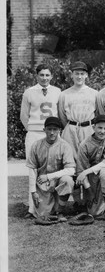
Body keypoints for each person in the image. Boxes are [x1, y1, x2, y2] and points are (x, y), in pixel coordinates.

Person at [20, 64, 61, 218]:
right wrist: (33, 129)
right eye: (42, 75)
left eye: (47, 75)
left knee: (54, 167)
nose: (44, 78)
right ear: (36, 76)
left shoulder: (57, 91)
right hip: (34, 132)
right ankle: (32, 208)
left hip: (53, 133)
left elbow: (60, 113)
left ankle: (54, 206)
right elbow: (24, 116)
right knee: (33, 169)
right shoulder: (29, 92)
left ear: (51, 76)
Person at [58, 61, 98, 211]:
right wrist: (70, 127)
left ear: (86, 75)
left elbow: (99, 114)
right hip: (71, 128)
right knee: (72, 164)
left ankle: (89, 199)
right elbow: (62, 116)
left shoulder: (94, 93)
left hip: (88, 128)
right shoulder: (64, 94)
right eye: (76, 73)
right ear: (71, 75)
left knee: (88, 162)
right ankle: (76, 201)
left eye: (82, 73)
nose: (79, 76)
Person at [75, 115, 105, 223]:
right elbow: (80, 170)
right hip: (94, 172)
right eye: (100, 128)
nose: (102, 131)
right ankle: (100, 203)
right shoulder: (84, 144)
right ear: (93, 127)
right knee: (94, 212)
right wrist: (89, 191)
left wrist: (85, 172)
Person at [26, 117, 75, 220]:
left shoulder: (65, 146)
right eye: (49, 129)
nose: (52, 132)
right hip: (42, 185)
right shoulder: (36, 145)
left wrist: (48, 176)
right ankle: (49, 207)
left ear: (59, 130)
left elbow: (71, 170)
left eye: (55, 129)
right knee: (43, 214)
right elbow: (32, 169)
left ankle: (60, 211)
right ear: (44, 130)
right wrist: (33, 192)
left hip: (58, 183)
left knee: (68, 180)